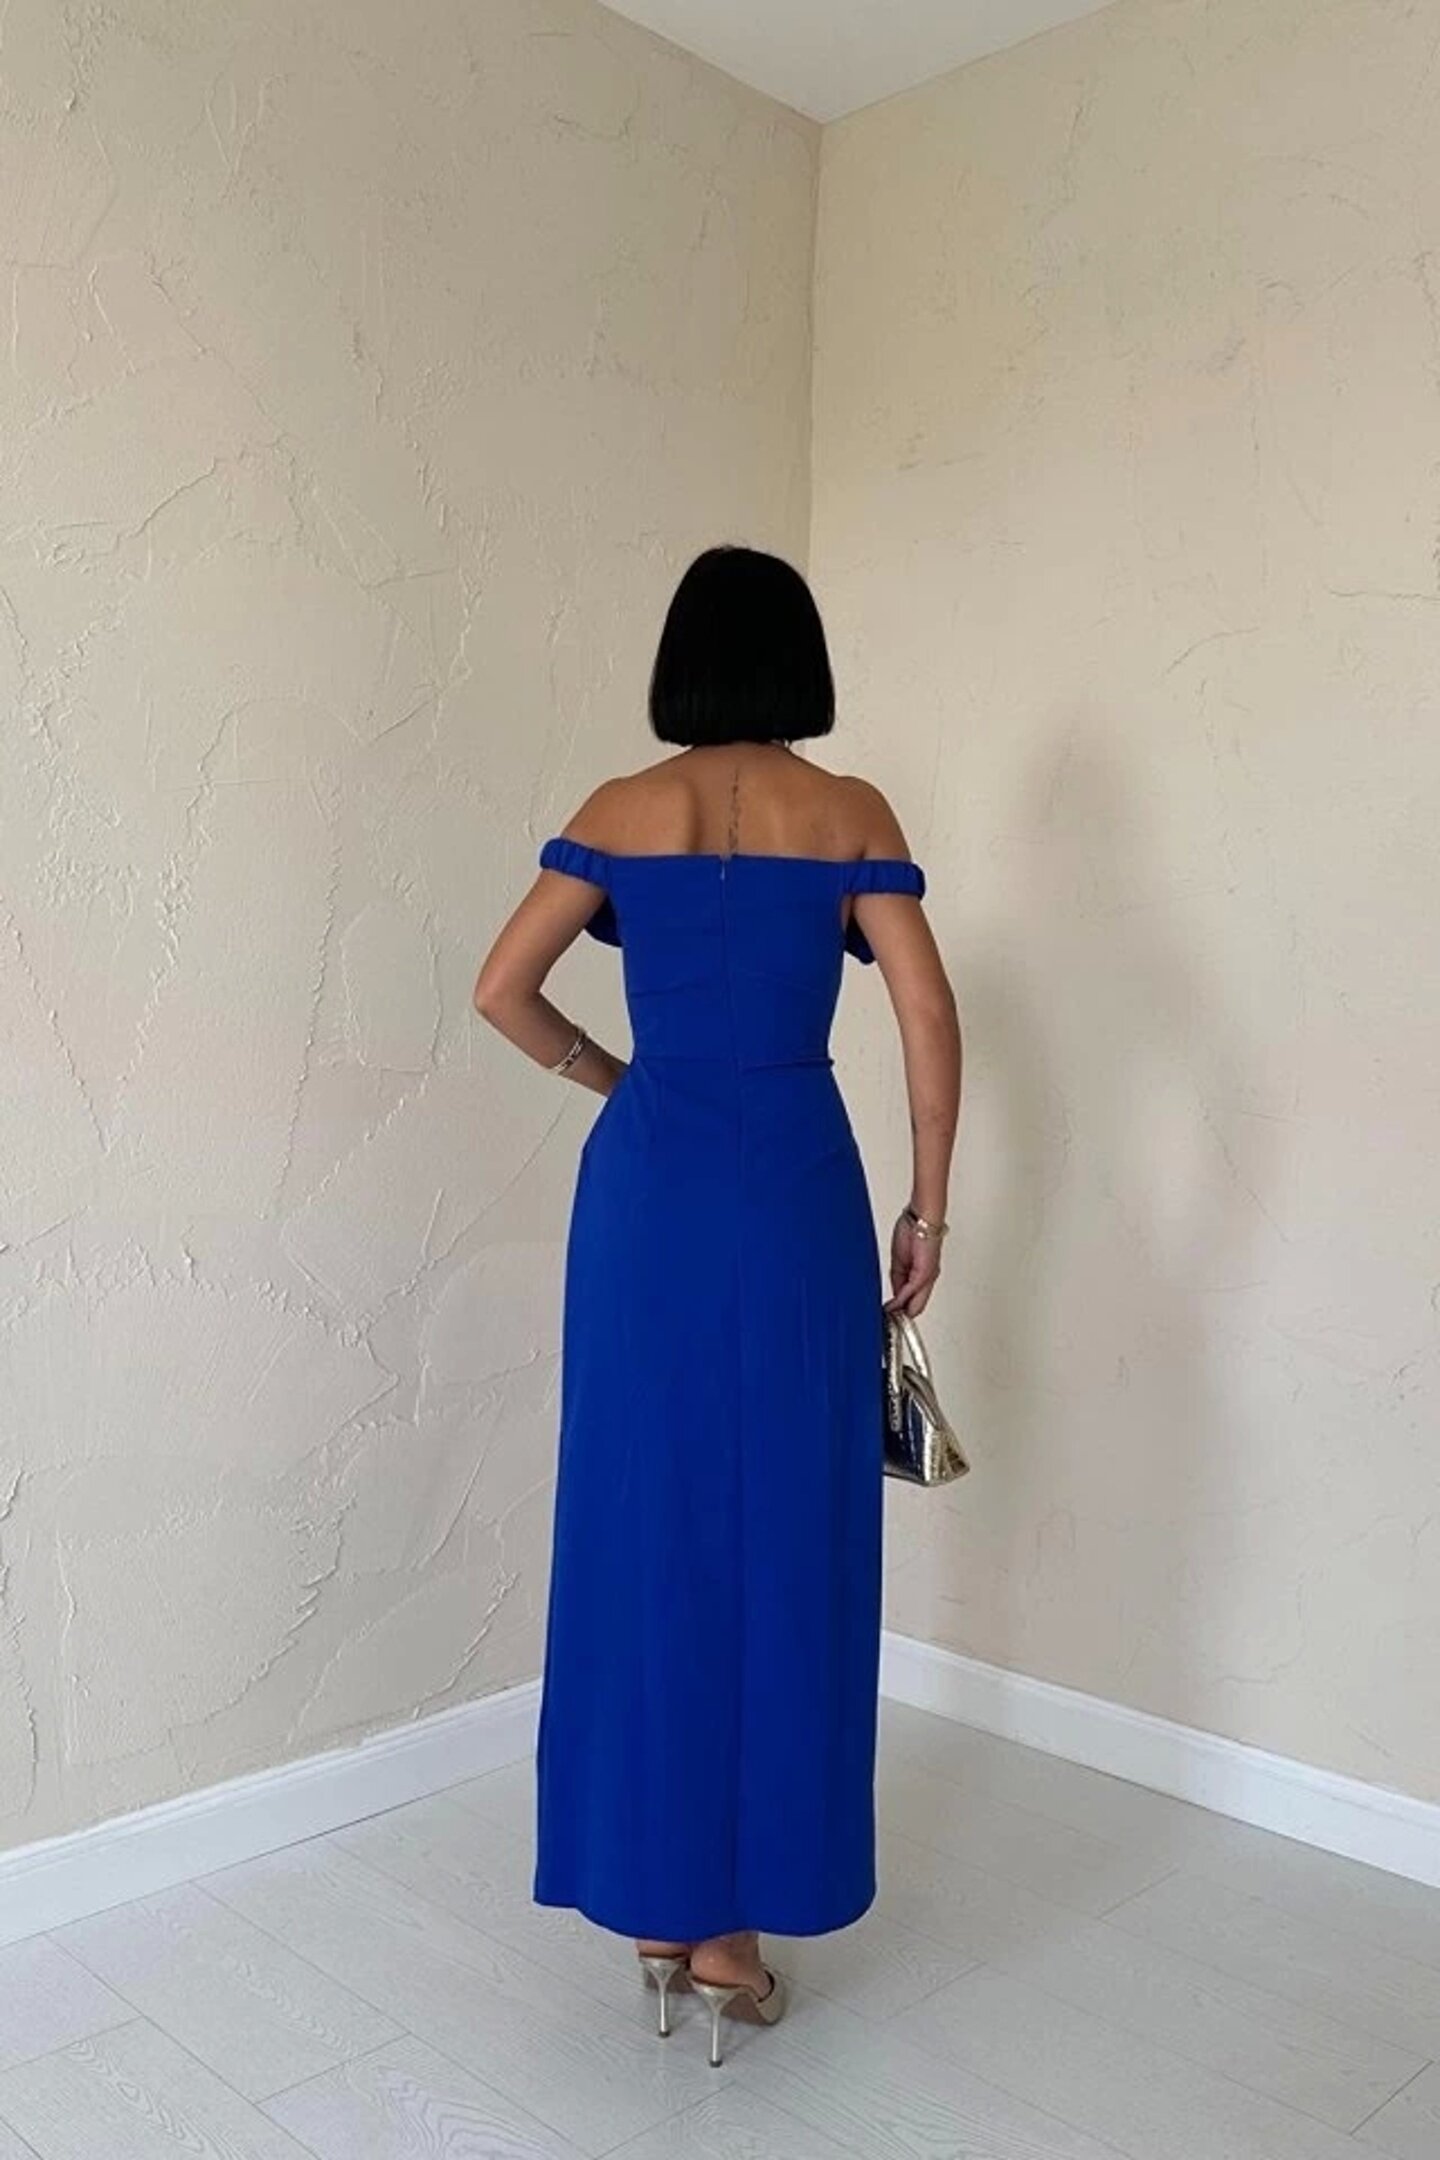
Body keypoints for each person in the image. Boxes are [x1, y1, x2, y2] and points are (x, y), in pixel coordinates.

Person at [473, 543, 962, 2065]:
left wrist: (618, 1080)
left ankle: (654, 1908)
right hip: (797, 1185)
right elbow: (927, 1009)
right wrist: (927, 1208)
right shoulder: (852, 813)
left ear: (684, 662)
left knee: (644, 1526)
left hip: (648, 1194)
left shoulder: (622, 810)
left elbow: (500, 988)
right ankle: (735, 1938)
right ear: (797, 663)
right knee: (790, 1534)